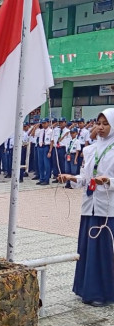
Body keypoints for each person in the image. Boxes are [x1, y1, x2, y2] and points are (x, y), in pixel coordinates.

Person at [58, 108, 114, 307]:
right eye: (98, 123)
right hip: (89, 206)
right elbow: (85, 177)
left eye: (105, 124)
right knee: (87, 249)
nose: (100, 127)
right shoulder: (90, 150)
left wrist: (108, 181)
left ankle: (104, 293)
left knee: (104, 251)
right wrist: (72, 178)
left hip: (108, 210)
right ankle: (85, 289)